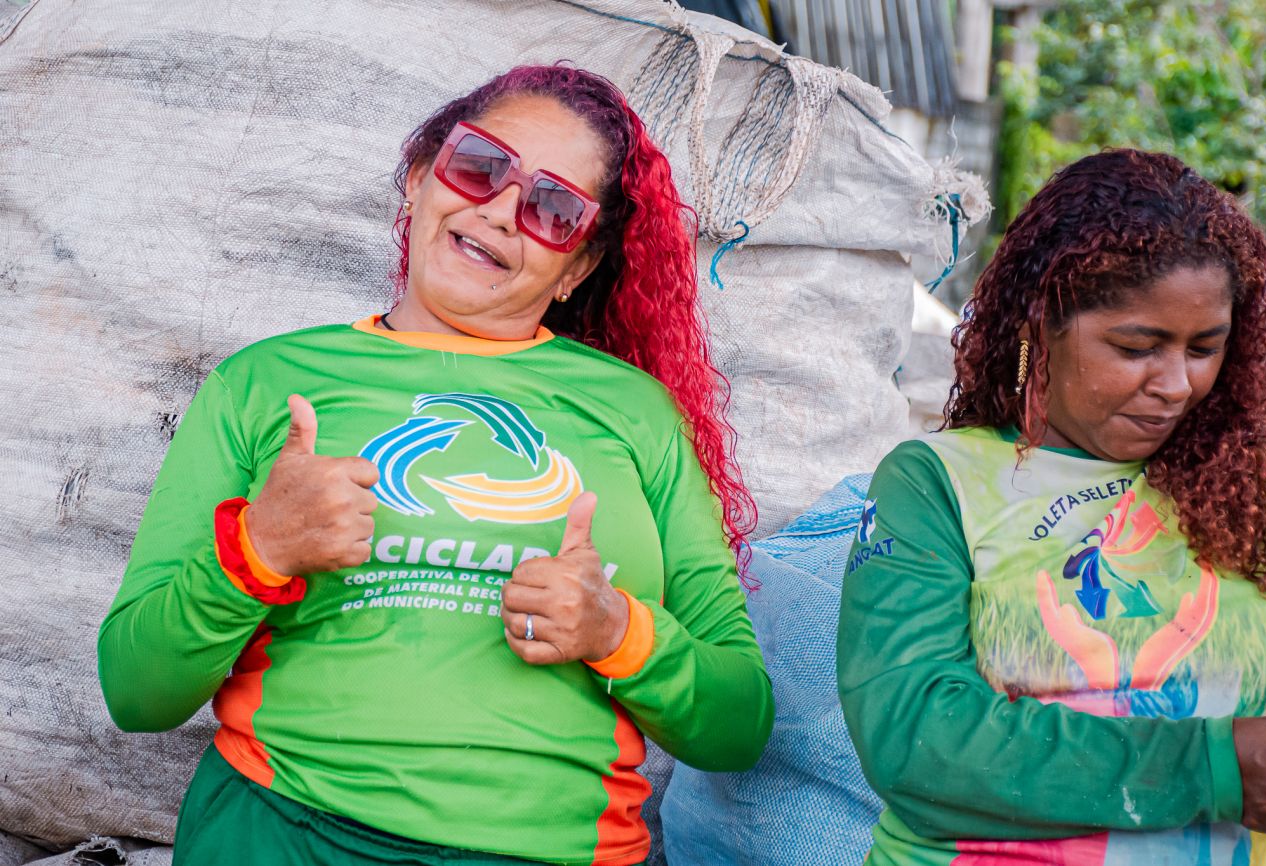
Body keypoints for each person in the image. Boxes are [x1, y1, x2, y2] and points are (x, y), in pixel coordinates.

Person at [98, 64, 774, 866]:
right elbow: (136, 690)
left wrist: (619, 633)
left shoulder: (638, 413)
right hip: (280, 832)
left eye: (553, 208)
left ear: (578, 268)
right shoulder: (263, 382)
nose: (501, 211)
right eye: (481, 166)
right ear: (420, 176)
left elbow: (738, 725)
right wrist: (259, 550)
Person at [838, 149, 1266, 865]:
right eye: (1137, 347)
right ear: (1040, 324)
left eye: (1205, 348)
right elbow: (915, 739)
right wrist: (1208, 767)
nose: (1176, 384)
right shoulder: (934, 485)